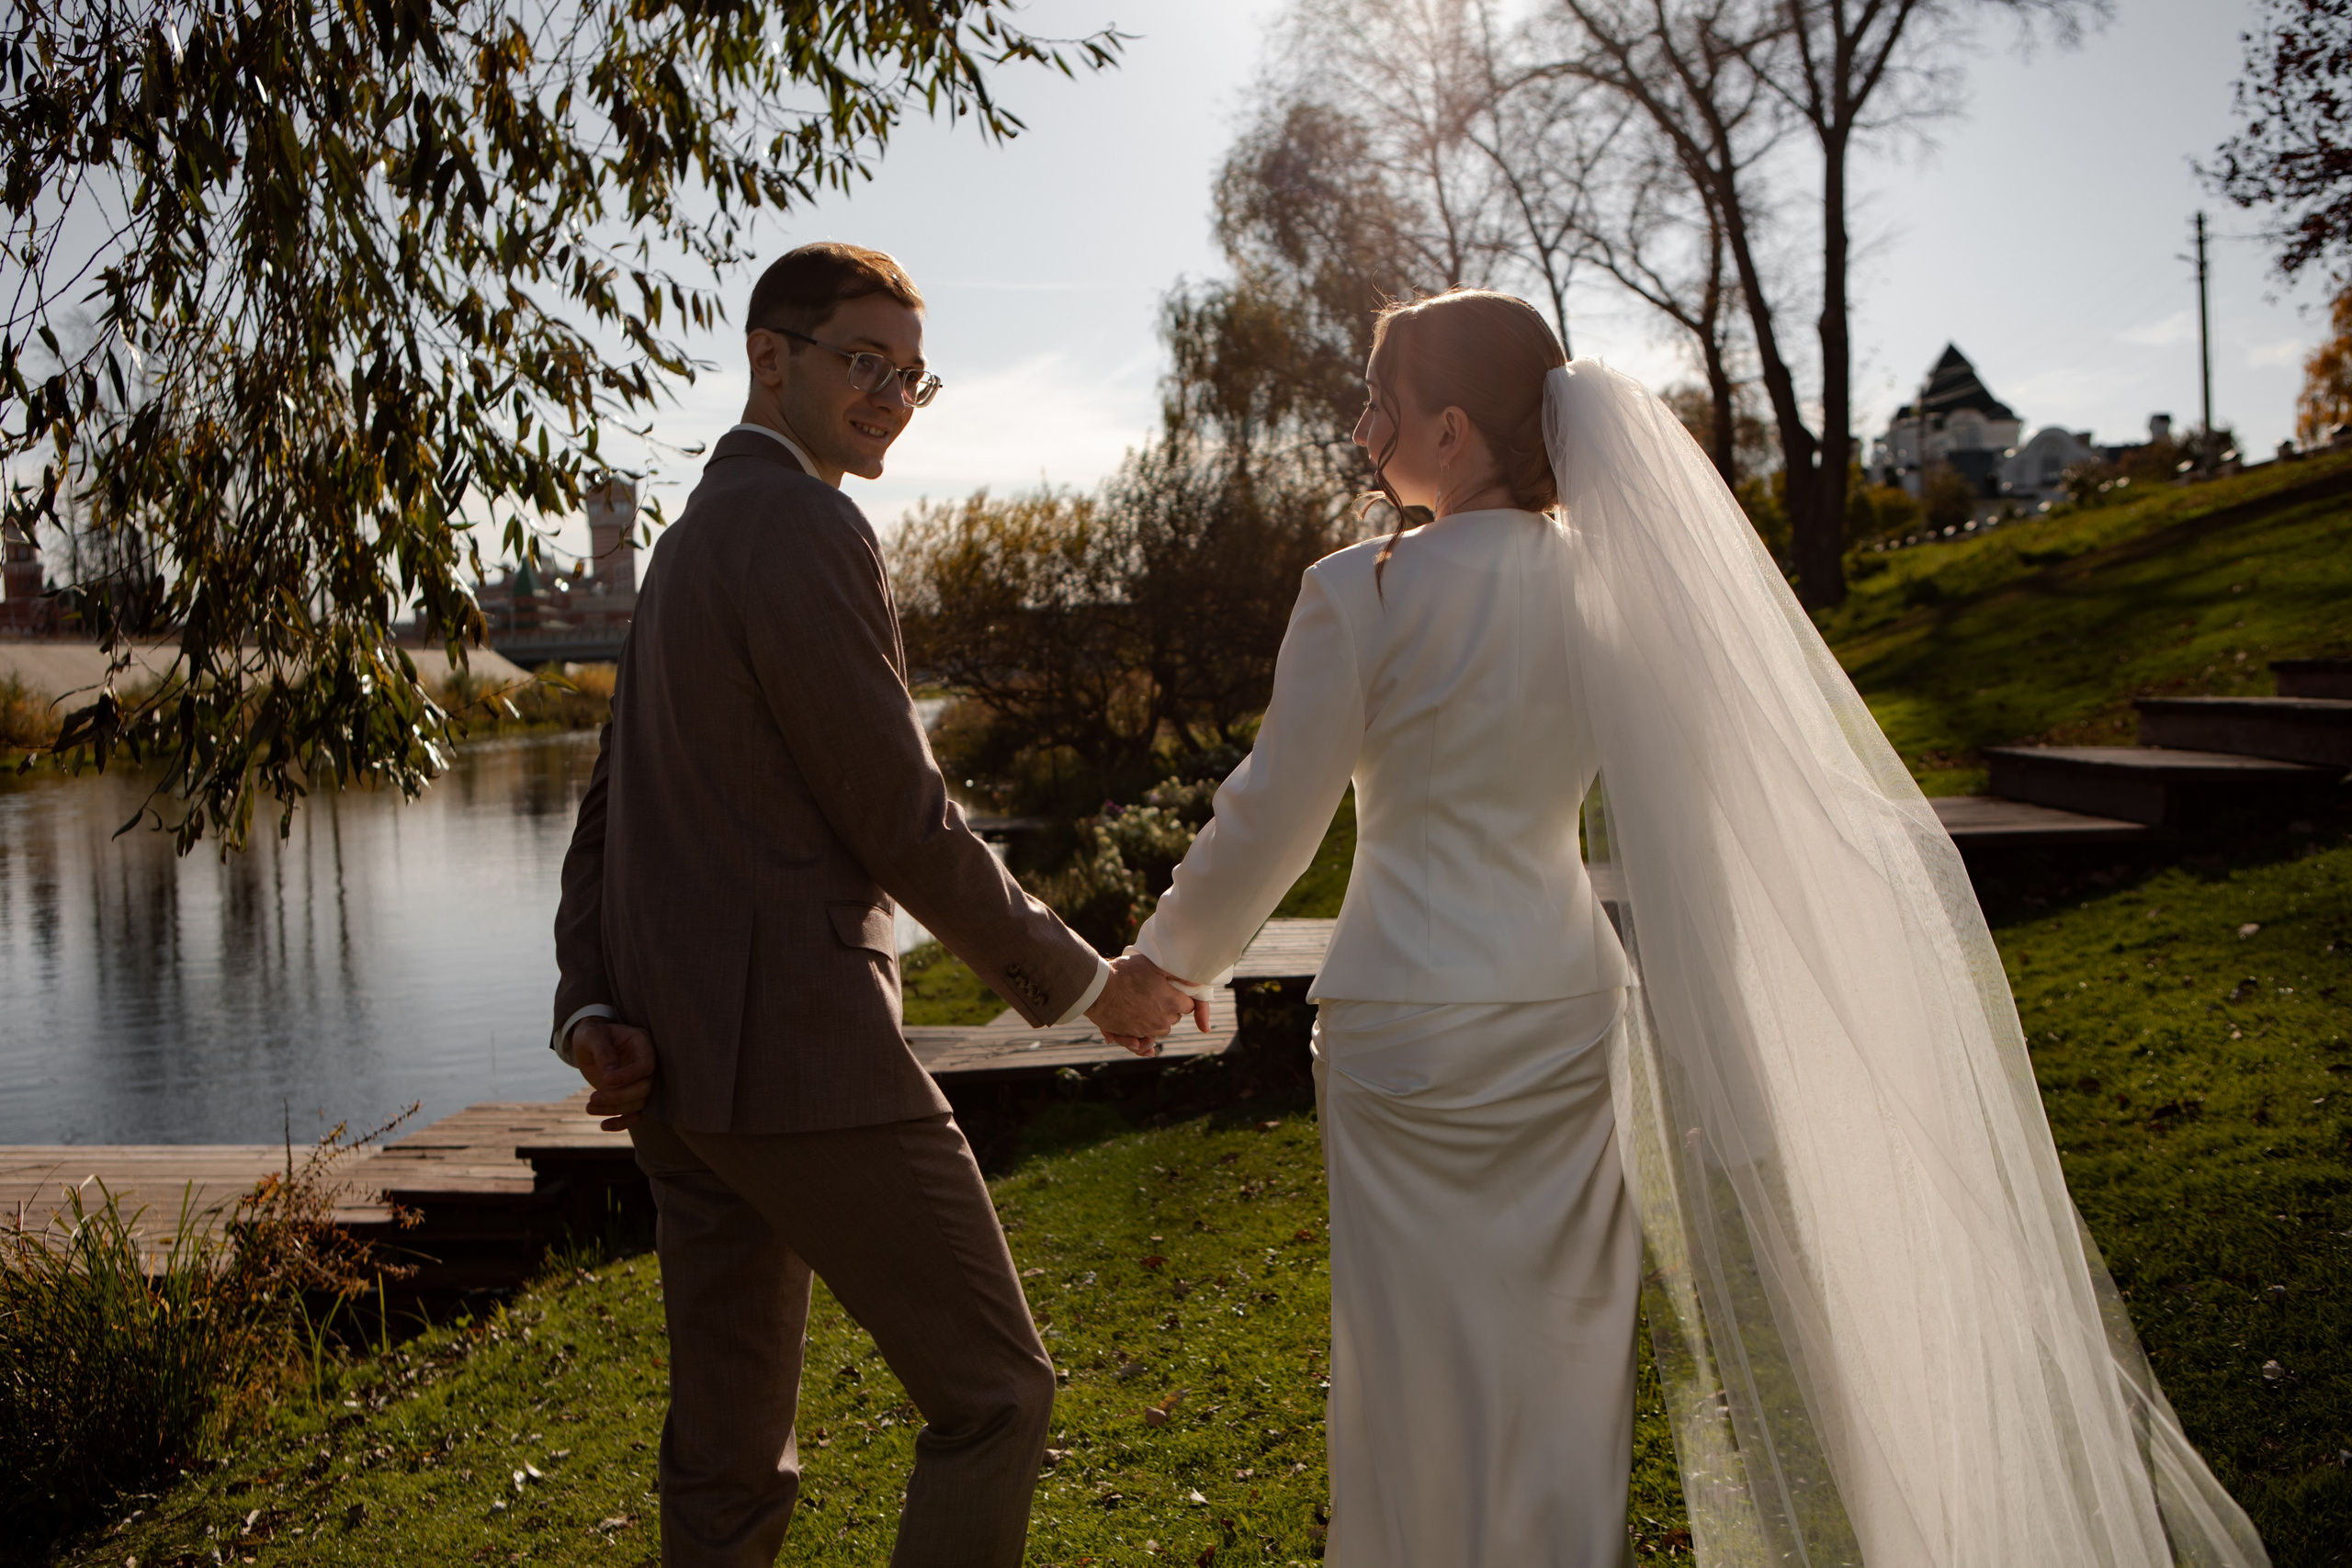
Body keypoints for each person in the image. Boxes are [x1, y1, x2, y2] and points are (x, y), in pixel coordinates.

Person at [1124, 288, 2269, 1568]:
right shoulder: (1613, 590)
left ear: (1450, 430)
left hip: (1405, 1020)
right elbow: (1707, 813)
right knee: (1569, 1359)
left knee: (1410, 1359)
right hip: (1562, 1004)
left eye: (1378, 399)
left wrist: (1162, 962)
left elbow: (1270, 814)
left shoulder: (1360, 591)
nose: (1357, 424)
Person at [549, 241, 1193, 1568]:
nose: (893, 395)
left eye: (912, 375)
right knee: (997, 1393)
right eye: (864, 362)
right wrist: (1085, 984)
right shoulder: (803, 522)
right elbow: (898, 815)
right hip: (807, 1056)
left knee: (725, 1462)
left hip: (678, 1074)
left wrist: (594, 1002)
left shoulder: (684, 545)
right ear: (769, 358)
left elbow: (605, 817)